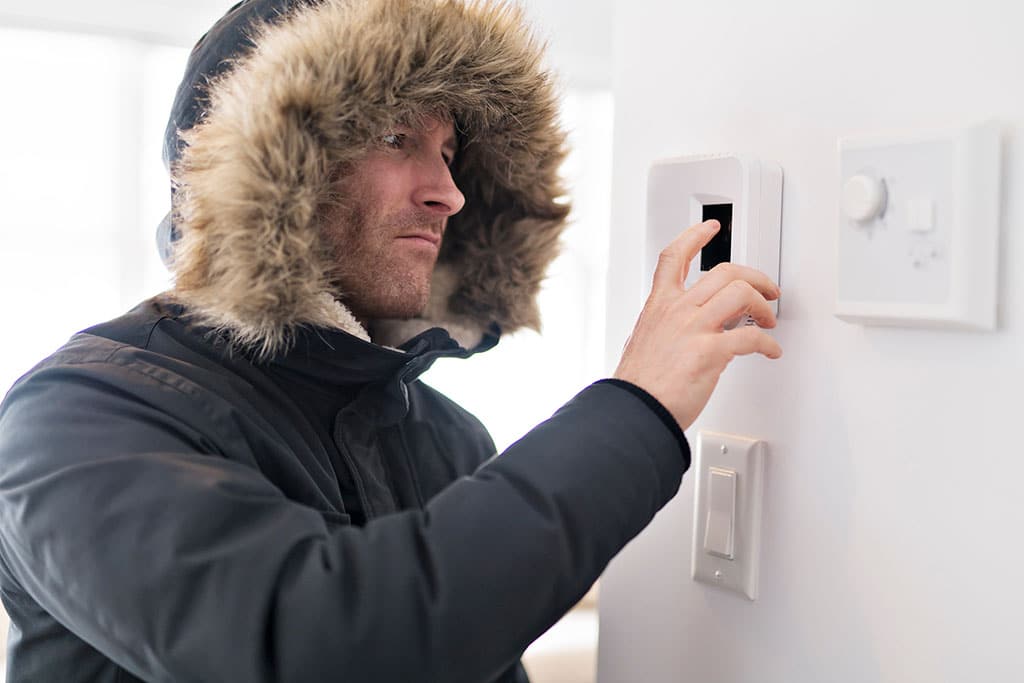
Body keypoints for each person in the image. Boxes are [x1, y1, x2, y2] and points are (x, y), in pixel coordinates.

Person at [0, 0, 782, 681]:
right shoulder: (76, 415)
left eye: (447, 151)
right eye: (397, 136)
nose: (449, 191)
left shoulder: (448, 438)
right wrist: (635, 408)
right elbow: (332, 648)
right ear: (273, 162)